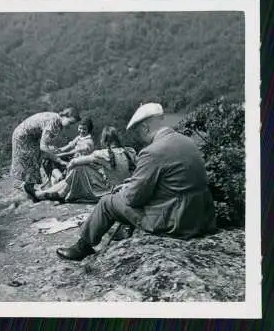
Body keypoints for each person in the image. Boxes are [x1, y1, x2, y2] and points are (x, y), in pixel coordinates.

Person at [56, 103, 216, 261]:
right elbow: (171, 182)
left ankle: (83, 246)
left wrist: (125, 190)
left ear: (145, 127)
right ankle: (124, 231)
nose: (139, 136)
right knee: (129, 192)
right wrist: (130, 184)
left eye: (138, 131)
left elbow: (134, 198)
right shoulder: (187, 142)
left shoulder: (152, 151)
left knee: (107, 202)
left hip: (177, 221)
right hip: (201, 217)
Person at [24, 126, 136, 204]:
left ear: (105, 140)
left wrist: (67, 170)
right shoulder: (130, 152)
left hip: (109, 191)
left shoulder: (103, 154)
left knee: (79, 167)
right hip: (125, 189)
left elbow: (74, 162)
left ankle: (48, 193)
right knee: (84, 168)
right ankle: (50, 193)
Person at [10, 107, 81, 192]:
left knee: (36, 159)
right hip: (23, 138)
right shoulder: (54, 123)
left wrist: (52, 151)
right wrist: (58, 160)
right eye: (70, 122)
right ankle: (26, 188)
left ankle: (29, 188)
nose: (70, 126)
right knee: (31, 161)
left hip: (28, 136)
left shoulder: (56, 118)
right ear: (64, 116)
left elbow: (46, 142)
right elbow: (43, 147)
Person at [42, 117, 96, 186]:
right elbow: (69, 146)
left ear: (89, 130)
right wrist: (57, 150)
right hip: (73, 158)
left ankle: (59, 178)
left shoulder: (89, 141)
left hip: (80, 162)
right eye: (80, 128)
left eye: (84, 129)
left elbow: (73, 151)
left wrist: (60, 155)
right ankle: (55, 178)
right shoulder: (79, 137)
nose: (81, 131)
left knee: (52, 160)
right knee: (48, 159)